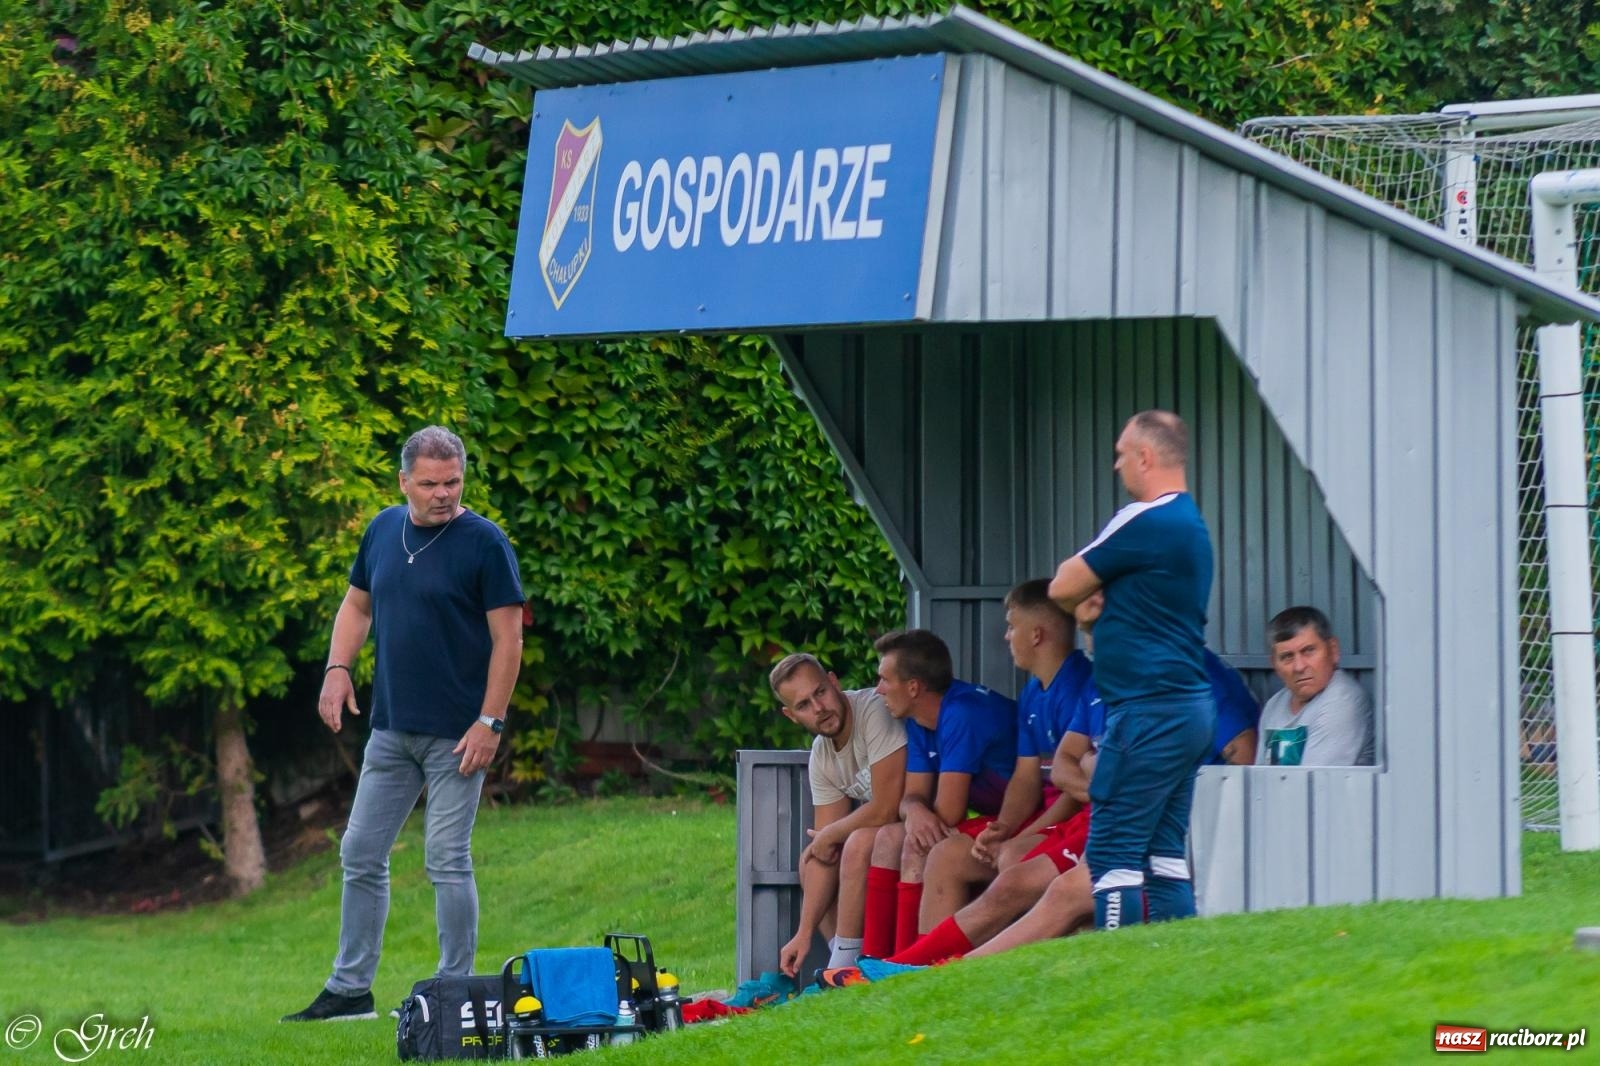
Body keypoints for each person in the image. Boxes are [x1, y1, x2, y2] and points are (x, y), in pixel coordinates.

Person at [283, 426, 525, 1022]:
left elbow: (508, 638)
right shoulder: (382, 531)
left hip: (458, 735)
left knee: (445, 856)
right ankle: (349, 991)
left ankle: (453, 993)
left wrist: (490, 721)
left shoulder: (485, 544)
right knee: (361, 851)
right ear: (404, 482)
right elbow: (357, 605)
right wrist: (338, 667)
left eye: (453, 482)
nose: (443, 494)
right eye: (430, 484)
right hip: (390, 729)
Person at [1048, 409, 1214, 931]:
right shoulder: (1192, 526)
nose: (1117, 465)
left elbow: (1061, 585)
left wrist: (1081, 604)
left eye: (1122, 454)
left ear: (1146, 456)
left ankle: (1117, 972)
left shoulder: (1147, 519)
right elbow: (1116, 615)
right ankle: (1171, 967)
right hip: (1187, 709)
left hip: (1146, 711)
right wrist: (1094, 615)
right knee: (1164, 851)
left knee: (1113, 849)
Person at [915, 580, 1090, 936]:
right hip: (1041, 820)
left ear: (1037, 634)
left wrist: (1022, 837)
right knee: (945, 856)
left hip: (1074, 822)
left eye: (1012, 627)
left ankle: (1008, 973)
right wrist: (1004, 829)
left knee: (1013, 858)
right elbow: (1025, 777)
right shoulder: (1031, 691)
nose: (1007, 637)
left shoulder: (1079, 685)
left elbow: (1077, 789)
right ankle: (925, 974)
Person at [844, 629, 1015, 958]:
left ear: (913, 687)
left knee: (916, 844)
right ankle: (872, 962)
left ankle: (909, 965)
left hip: (1027, 820)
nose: (877, 690)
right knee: (889, 839)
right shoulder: (918, 719)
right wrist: (916, 811)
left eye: (884, 680)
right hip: (995, 818)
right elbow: (913, 797)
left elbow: (950, 814)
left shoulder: (961, 713)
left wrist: (919, 813)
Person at [770, 653, 907, 977]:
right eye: (804, 705)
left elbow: (888, 806)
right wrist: (803, 933)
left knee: (856, 842)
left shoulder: (873, 709)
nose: (819, 708)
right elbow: (825, 849)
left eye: (820, 692)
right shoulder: (822, 755)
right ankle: (843, 963)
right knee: (813, 860)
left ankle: (842, 967)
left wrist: (832, 834)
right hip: (885, 836)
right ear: (791, 716)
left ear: (834, 682)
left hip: (920, 821)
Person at [1257, 606, 1374, 766]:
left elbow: (1313, 787)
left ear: (1333, 650)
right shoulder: (1275, 704)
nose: (1299, 666)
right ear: (1274, 664)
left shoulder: (1342, 702)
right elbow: (1258, 777)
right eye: (1287, 657)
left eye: (1308, 651)